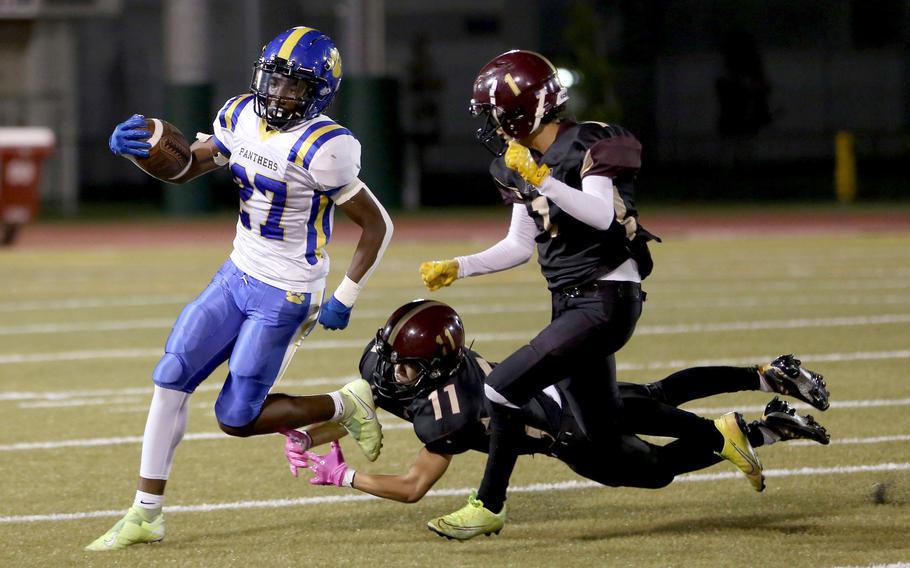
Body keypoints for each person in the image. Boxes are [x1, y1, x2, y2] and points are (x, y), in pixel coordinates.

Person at [86, 26, 393, 551]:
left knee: (236, 417)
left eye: (294, 86)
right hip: (237, 270)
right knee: (172, 372)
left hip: (289, 289)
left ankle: (343, 405)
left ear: (317, 92)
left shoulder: (328, 147)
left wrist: (346, 294)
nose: (278, 94)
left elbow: (377, 225)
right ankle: (146, 512)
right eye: (274, 80)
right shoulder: (237, 115)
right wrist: (141, 154)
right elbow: (187, 168)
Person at [282, 300, 831, 539]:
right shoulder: (416, 371)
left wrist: (344, 477)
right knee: (660, 392)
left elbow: (412, 487)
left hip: (572, 435)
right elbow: (369, 403)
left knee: (658, 467)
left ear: (437, 367)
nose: (391, 372)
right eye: (391, 356)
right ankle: (764, 378)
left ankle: (758, 428)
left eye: (406, 367)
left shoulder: (453, 411)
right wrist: (314, 433)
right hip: (565, 389)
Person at [418, 50, 660, 538]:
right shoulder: (515, 165)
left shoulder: (590, 141)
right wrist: (459, 267)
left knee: (500, 388)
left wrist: (542, 177)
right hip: (569, 301)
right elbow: (516, 246)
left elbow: (603, 215)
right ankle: (724, 437)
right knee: (603, 439)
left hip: (606, 294)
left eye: (494, 112)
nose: (491, 124)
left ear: (522, 107)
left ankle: (488, 505)